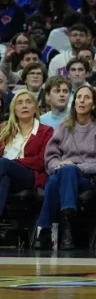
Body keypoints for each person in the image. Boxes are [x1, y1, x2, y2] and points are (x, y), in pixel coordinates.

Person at [34, 86, 96, 250]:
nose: (82, 101)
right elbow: (50, 157)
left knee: (66, 173)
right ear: (74, 102)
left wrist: (77, 166)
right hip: (63, 173)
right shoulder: (64, 126)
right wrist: (58, 165)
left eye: (87, 98)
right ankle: (66, 228)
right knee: (58, 177)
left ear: (93, 105)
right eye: (79, 97)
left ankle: (45, 231)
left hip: (87, 177)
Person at [0, 91, 53, 221]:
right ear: (14, 109)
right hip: (5, 173)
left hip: (29, 176)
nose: (24, 105)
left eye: (28, 102)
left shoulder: (46, 131)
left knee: (4, 163)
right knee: (4, 180)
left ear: (35, 108)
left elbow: (41, 161)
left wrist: (14, 162)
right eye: (20, 102)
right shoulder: (4, 129)